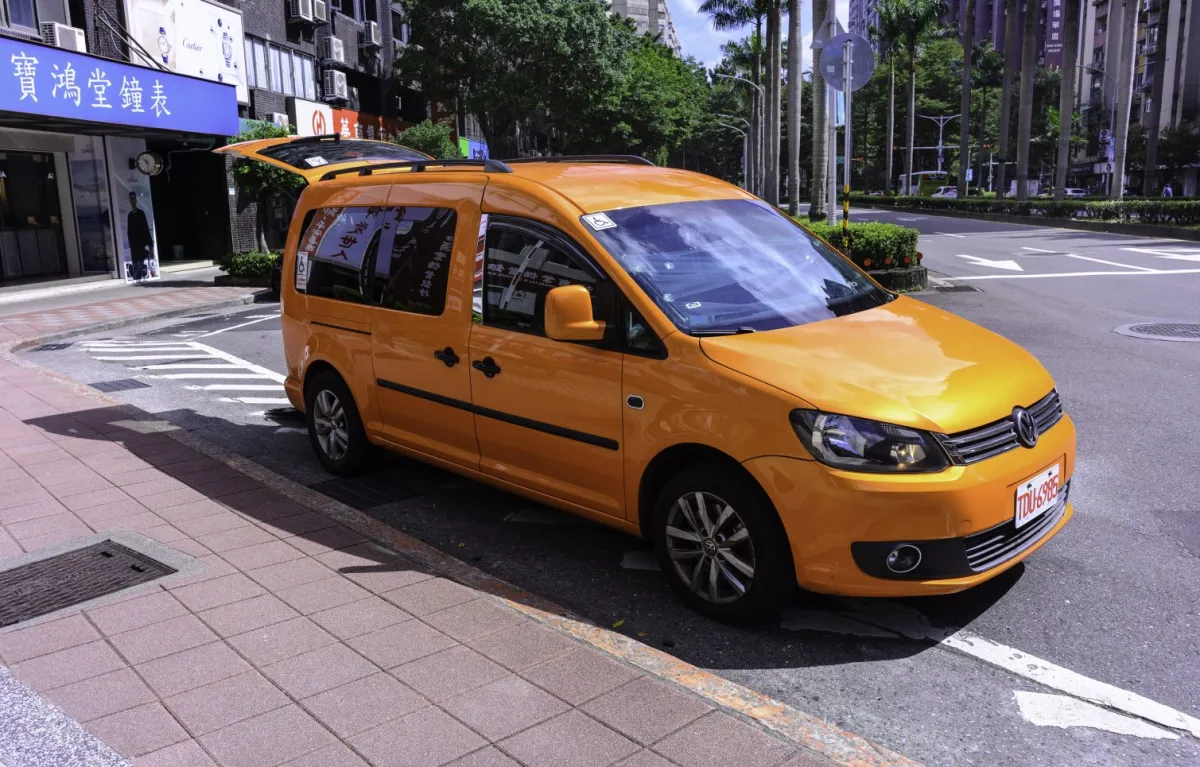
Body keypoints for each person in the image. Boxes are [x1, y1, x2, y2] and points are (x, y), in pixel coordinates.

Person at [126, 192, 152, 280]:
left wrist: (149, 244)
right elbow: (129, 230)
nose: (132, 200)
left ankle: (136, 278)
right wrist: (130, 243)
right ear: (129, 200)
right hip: (133, 244)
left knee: (139, 264)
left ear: (136, 200)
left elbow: (145, 228)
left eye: (133, 198)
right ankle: (137, 277)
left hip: (141, 243)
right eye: (131, 199)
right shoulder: (130, 215)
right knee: (135, 264)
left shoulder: (141, 213)